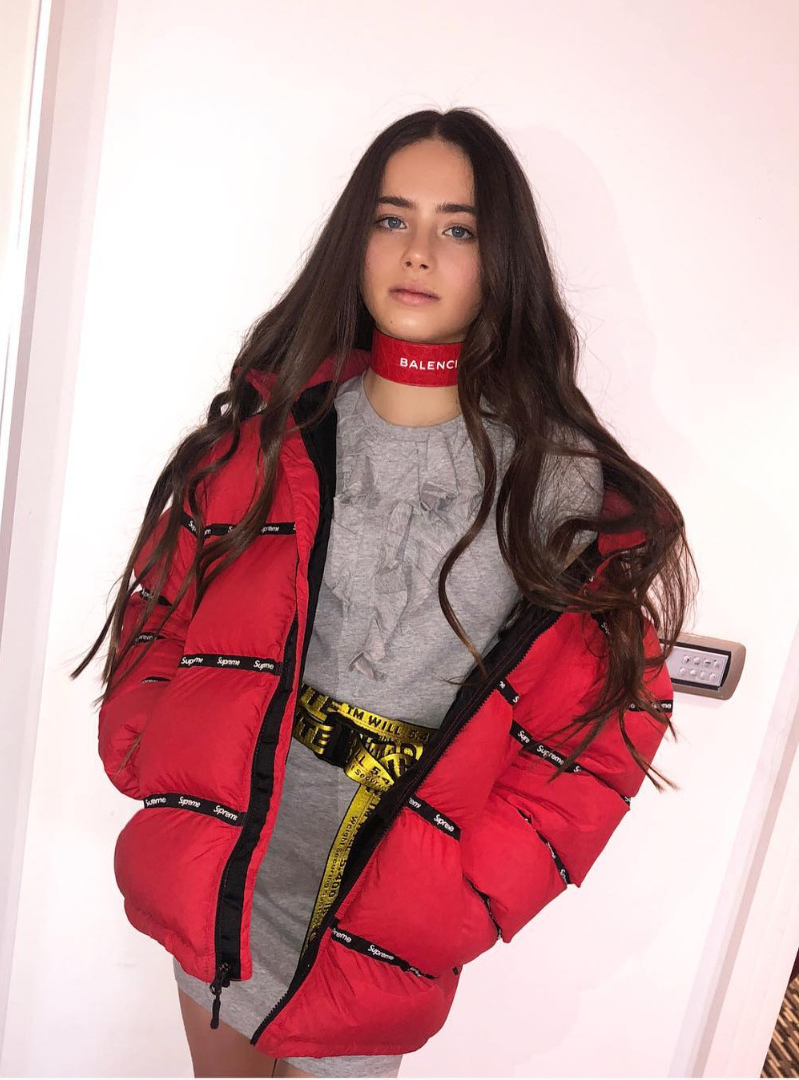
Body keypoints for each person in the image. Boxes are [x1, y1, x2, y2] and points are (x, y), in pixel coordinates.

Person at [74, 107, 696, 1079]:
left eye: (458, 228)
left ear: (500, 261)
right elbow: (163, 603)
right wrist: (155, 745)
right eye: (390, 218)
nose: (417, 252)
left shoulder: (558, 489)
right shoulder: (270, 441)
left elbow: (607, 726)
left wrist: (464, 892)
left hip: (383, 904)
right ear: (355, 239)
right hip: (226, 868)